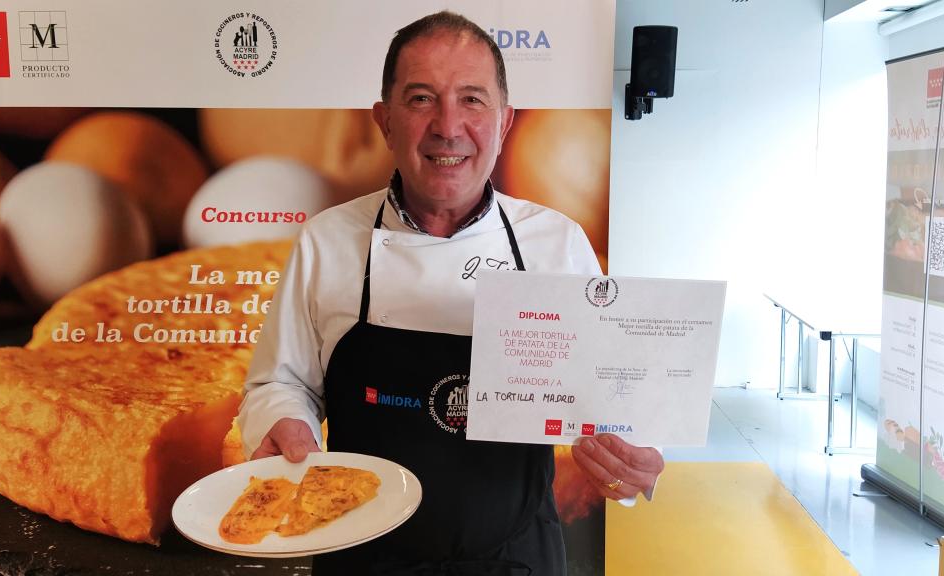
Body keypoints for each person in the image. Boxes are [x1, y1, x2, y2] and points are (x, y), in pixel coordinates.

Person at [238, 10, 663, 575]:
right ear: (384, 120)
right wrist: (281, 421)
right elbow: (279, 381)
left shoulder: (556, 244)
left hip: (516, 559)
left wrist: (629, 460)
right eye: (420, 99)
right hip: (363, 558)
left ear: (505, 121)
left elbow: (615, 401)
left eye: (472, 100)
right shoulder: (328, 241)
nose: (448, 125)